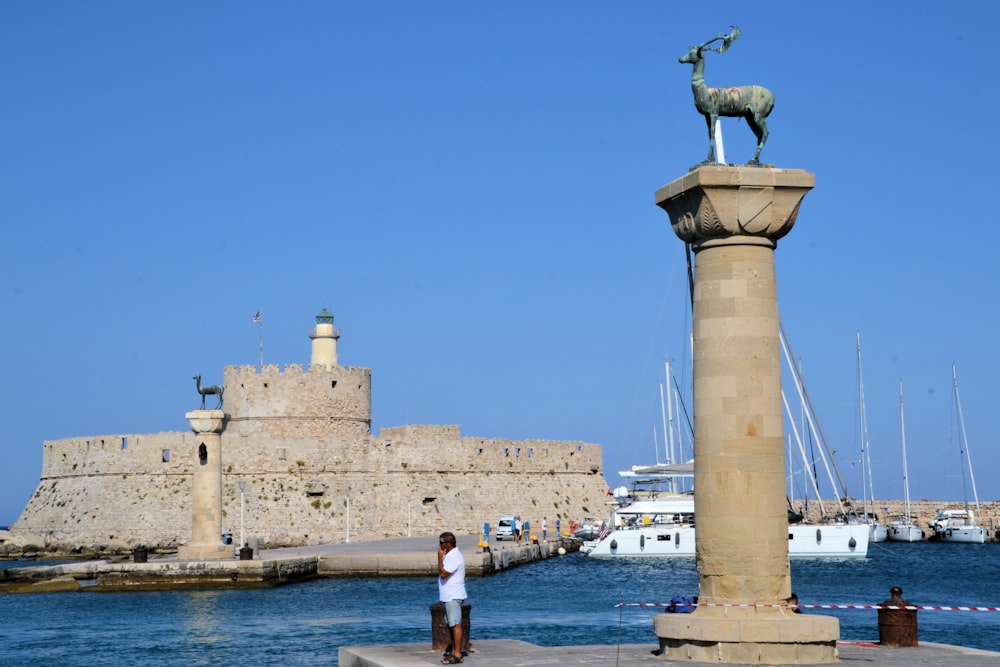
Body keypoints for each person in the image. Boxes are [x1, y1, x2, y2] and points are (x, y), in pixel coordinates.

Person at [437, 532, 467, 664]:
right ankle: (454, 651)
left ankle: (458, 654)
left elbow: (444, 574)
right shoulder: (449, 555)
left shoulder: (454, 556)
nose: (439, 545)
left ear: (448, 543)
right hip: (448, 595)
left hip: (453, 595)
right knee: (451, 624)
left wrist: (439, 558)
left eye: (441, 543)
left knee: (455, 625)